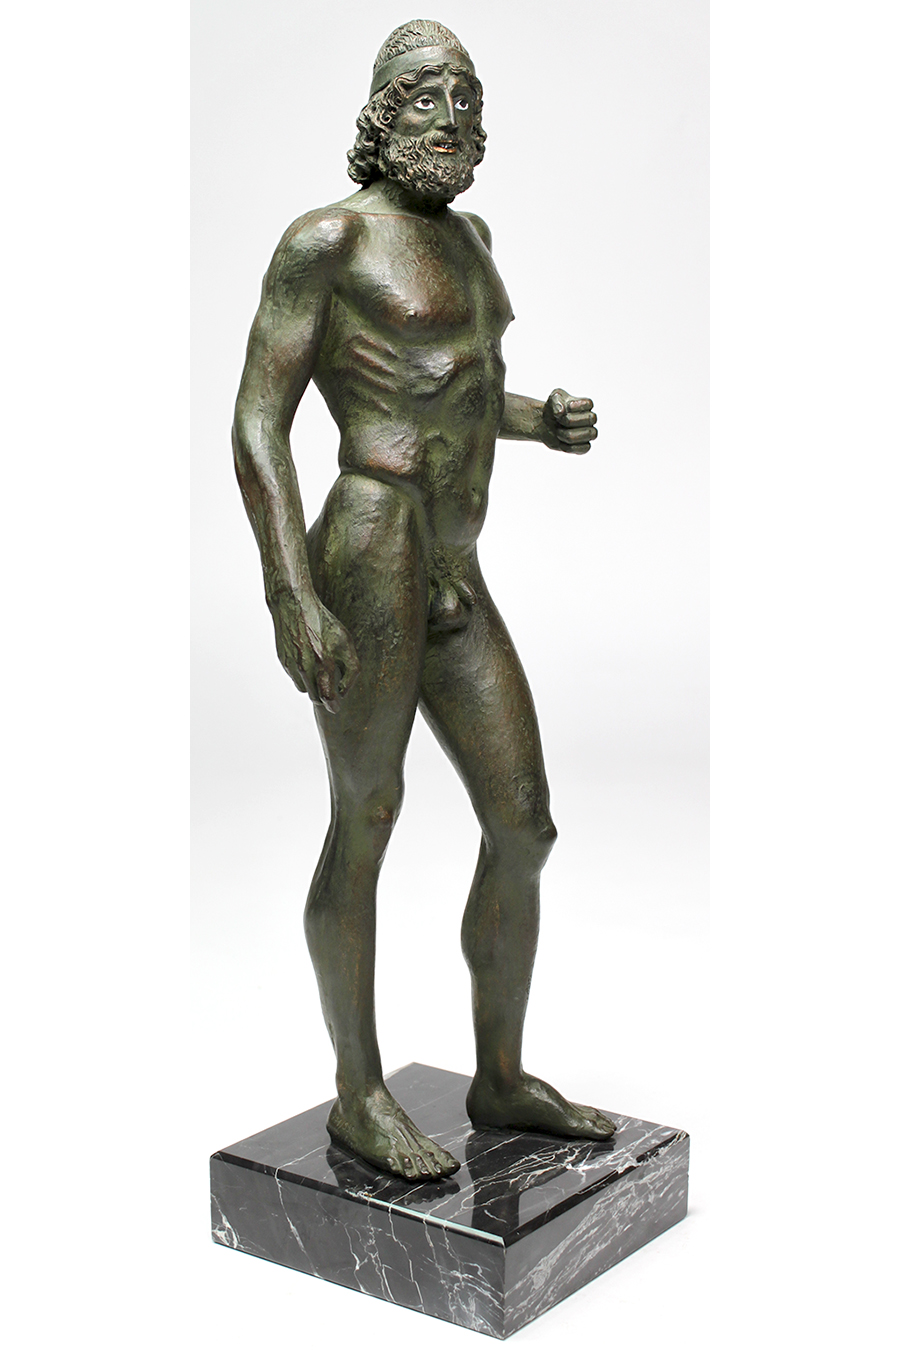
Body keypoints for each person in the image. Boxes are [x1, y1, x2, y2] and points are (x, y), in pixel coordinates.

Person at [233, 20, 615, 1181]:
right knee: (370, 813)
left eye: (467, 97)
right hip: (370, 541)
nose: (451, 116)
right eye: (425, 94)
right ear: (381, 111)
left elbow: (460, 394)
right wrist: (290, 591)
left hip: (455, 565)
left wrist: (539, 419)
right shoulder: (329, 240)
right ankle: (358, 1093)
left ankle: (498, 1078)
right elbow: (258, 421)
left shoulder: (472, 240)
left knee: (524, 824)